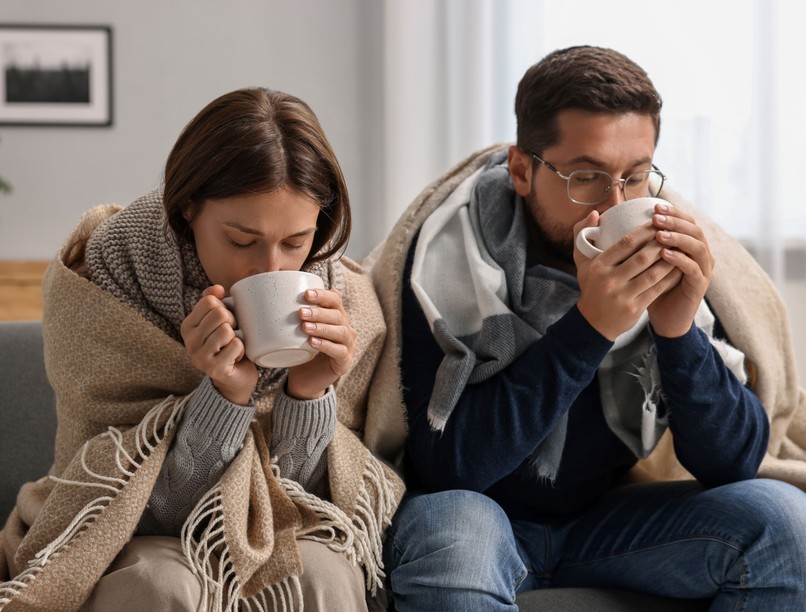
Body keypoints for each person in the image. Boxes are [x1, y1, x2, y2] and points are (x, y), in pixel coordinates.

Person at [369, 46, 806, 610]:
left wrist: (677, 333)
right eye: (587, 177)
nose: (616, 205)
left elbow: (733, 463)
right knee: (459, 541)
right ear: (522, 170)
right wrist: (589, 329)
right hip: (473, 511)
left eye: (637, 175)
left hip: (605, 519)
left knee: (784, 522)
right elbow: (452, 466)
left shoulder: (664, 248)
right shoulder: (447, 263)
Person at [0, 87, 403, 612]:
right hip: (123, 529)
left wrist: (308, 394)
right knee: (160, 585)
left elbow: (303, 507)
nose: (271, 269)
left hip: (280, 529)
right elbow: (134, 511)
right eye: (241, 241)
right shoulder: (105, 284)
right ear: (188, 208)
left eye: (296, 241)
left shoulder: (342, 300)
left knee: (322, 572)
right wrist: (225, 399)